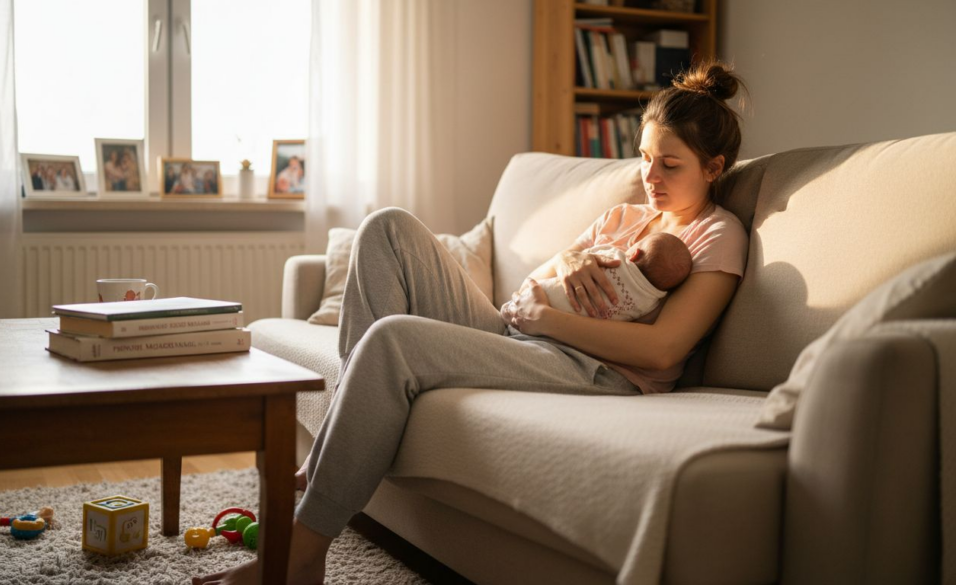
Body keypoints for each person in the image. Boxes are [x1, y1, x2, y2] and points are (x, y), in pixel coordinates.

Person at [193, 60, 749, 585]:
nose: (650, 175)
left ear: (714, 168)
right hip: (524, 333)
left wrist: (547, 322)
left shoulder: (718, 236)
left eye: (670, 164)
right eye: (645, 157)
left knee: (394, 341)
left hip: (596, 370)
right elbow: (538, 282)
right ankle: (343, 432)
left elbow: (660, 351)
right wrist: (570, 264)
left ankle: (303, 554)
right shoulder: (622, 216)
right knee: (387, 229)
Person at [532, 232, 692, 326]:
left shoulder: (615, 258)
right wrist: (563, 257)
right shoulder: (648, 304)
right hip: (561, 328)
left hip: (544, 302)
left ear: (634, 253)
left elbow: (590, 254)